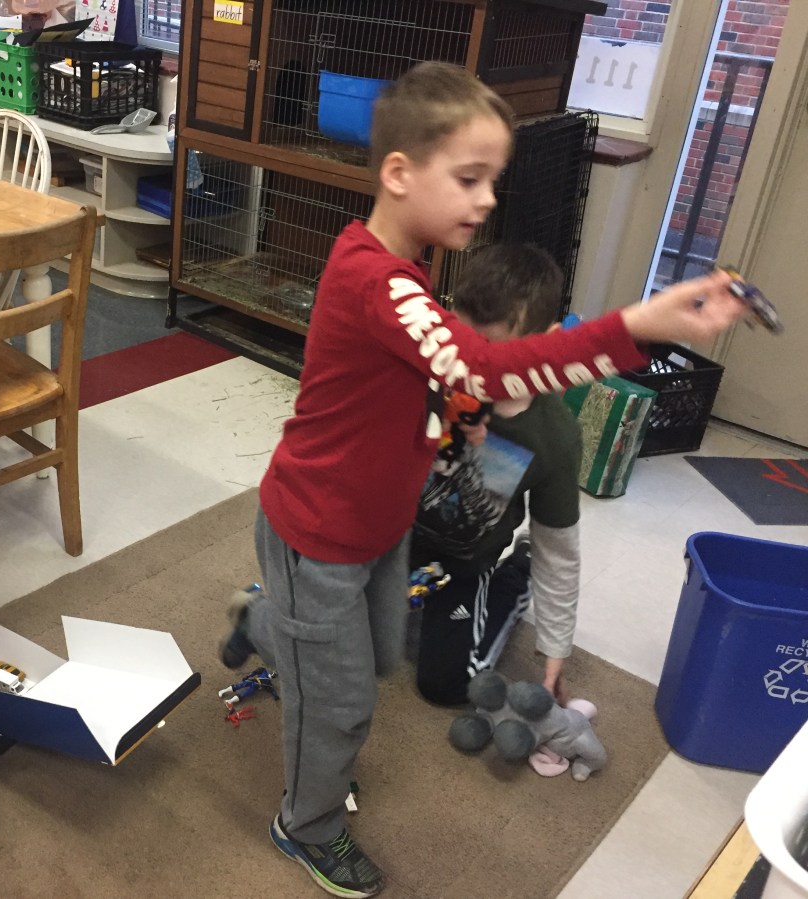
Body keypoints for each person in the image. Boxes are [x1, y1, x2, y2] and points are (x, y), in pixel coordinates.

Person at [218, 61, 746, 898]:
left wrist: (447, 415)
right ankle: (304, 823)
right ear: (399, 172)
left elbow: (429, 375)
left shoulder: (409, 269)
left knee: (378, 654)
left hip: (378, 524)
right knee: (344, 702)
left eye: (491, 180)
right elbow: (484, 364)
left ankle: (262, 619)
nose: (487, 199)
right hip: (315, 531)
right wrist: (636, 324)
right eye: (469, 178)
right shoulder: (374, 278)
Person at [411, 243, 580, 708]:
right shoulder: (431, 370)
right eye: (466, 344)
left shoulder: (555, 436)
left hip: (464, 563)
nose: (474, 367)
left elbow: (559, 550)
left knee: (446, 686)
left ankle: (512, 579)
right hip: (394, 538)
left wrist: (555, 649)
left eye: (495, 353)